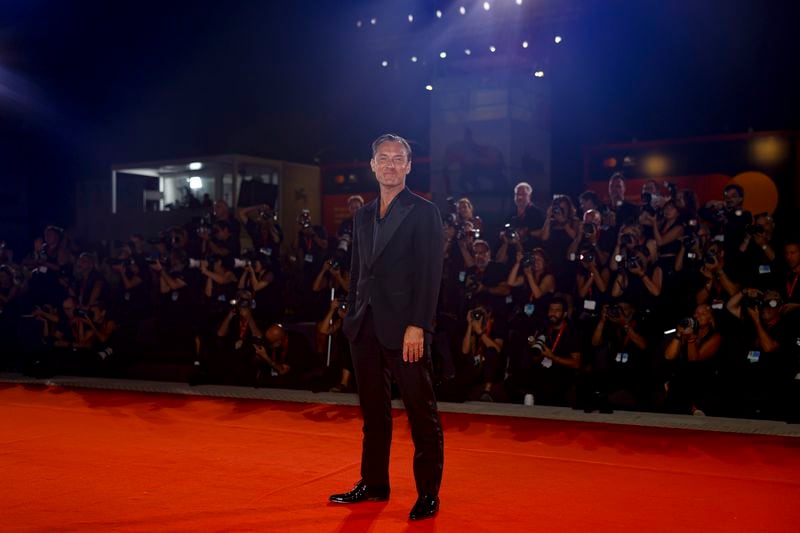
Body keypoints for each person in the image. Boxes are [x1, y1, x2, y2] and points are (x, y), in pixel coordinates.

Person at [329, 133, 444, 521]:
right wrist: (350, 314)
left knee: (420, 412)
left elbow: (431, 275)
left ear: (409, 167)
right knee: (373, 413)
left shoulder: (425, 212)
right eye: (384, 157)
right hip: (364, 326)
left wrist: (419, 325)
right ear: (373, 165)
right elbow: (358, 271)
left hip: (405, 329)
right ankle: (374, 483)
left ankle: (427, 494)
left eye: (399, 158)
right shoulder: (362, 215)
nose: (391, 164)